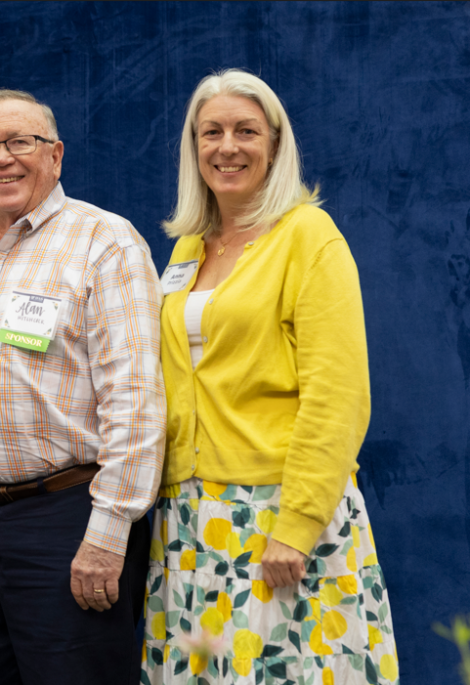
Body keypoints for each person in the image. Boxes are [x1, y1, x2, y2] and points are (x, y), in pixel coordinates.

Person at [142, 69, 399, 684]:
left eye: (245, 131)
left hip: (278, 518)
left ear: (276, 146)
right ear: (193, 146)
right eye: (212, 132)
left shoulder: (309, 236)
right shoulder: (189, 249)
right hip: (190, 520)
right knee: (204, 673)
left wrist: (299, 525)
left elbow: (338, 394)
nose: (227, 147)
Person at [0, 89, 166, 685]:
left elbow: (135, 401)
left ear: (55, 156)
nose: (2, 159)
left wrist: (110, 532)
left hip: (63, 516)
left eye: (19, 143)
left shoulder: (104, 242)